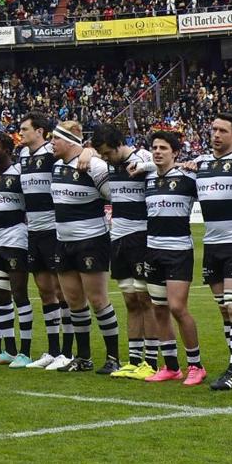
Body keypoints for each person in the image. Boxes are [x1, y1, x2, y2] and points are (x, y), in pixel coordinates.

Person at [187, 114, 232, 390]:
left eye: (222, 130)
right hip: (212, 244)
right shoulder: (200, 164)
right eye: (213, 129)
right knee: (224, 311)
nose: (216, 134)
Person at [50, 120, 118, 374]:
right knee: (74, 301)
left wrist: (91, 152)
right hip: (63, 241)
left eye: (56, 139)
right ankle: (84, 357)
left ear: (69, 141)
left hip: (91, 241)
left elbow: (114, 195)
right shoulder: (56, 166)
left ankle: (113, 357)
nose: (51, 143)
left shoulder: (95, 166)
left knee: (98, 300)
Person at [91, 124, 158, 380]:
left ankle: (150, 361)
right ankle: (133, 360)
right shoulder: (109, 164)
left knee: (145, 300)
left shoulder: (142, 158)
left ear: (119, 144)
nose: (105, 158)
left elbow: (167, 166)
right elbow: (89, 156)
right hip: (117, 237)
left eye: (108, 153)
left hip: (140, 237)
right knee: (130, 301)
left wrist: (146, 167)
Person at [141, 129, 204, 385]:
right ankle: (171, 366)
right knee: (159, 309)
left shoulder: (189, 179)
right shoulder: (148, 179)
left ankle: (195, 365)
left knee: (177, 307)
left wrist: (193, 165)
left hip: (178, 250)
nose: (157, 151)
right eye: (155, 147)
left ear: (175, 152)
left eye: (163, 148)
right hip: (152, 249)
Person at [18, 113, 67, 368]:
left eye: (25, 129)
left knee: (62, 291)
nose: (21, 133)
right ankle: (53, 349)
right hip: (33, 231)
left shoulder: (52, 153)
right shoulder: (23, 156)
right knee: (45, 291)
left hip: (53, 230)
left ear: (40, 131)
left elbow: (80, 152)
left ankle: (67, 352)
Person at [0, 132, 34, 367]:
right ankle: (9, 350)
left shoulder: (20, 174)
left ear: (7, 151)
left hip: (17, 238)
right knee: (1, 295)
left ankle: (25, 351)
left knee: (19, 294)